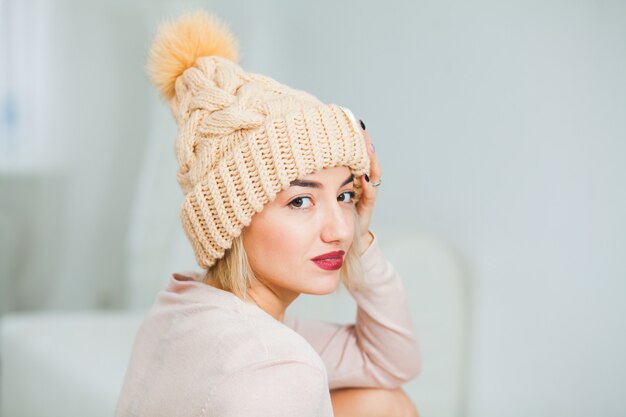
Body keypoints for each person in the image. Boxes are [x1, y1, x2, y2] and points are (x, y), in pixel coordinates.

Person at [115, 11, 420, 417]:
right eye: (300, 201)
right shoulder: (276, 367)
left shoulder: (185, 308)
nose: (340, 231)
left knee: (380, 402)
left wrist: (364, 235)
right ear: (232, 219)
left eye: (346, 196)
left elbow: (388, 363)